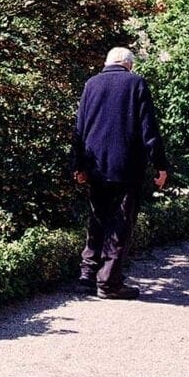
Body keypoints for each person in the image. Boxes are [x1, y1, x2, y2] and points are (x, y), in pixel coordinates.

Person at [70, 46, 168, 300]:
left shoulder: (91, 84)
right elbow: (149, 129)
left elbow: (79, 128)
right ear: (129, 65)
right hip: (126, 168)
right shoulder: (136, 83)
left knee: (97, 219)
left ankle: (87, 276)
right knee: (121, 223)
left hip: (95, 165)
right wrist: (160, 166)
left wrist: (78, 166)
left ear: (107, 62)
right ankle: (109, 283)